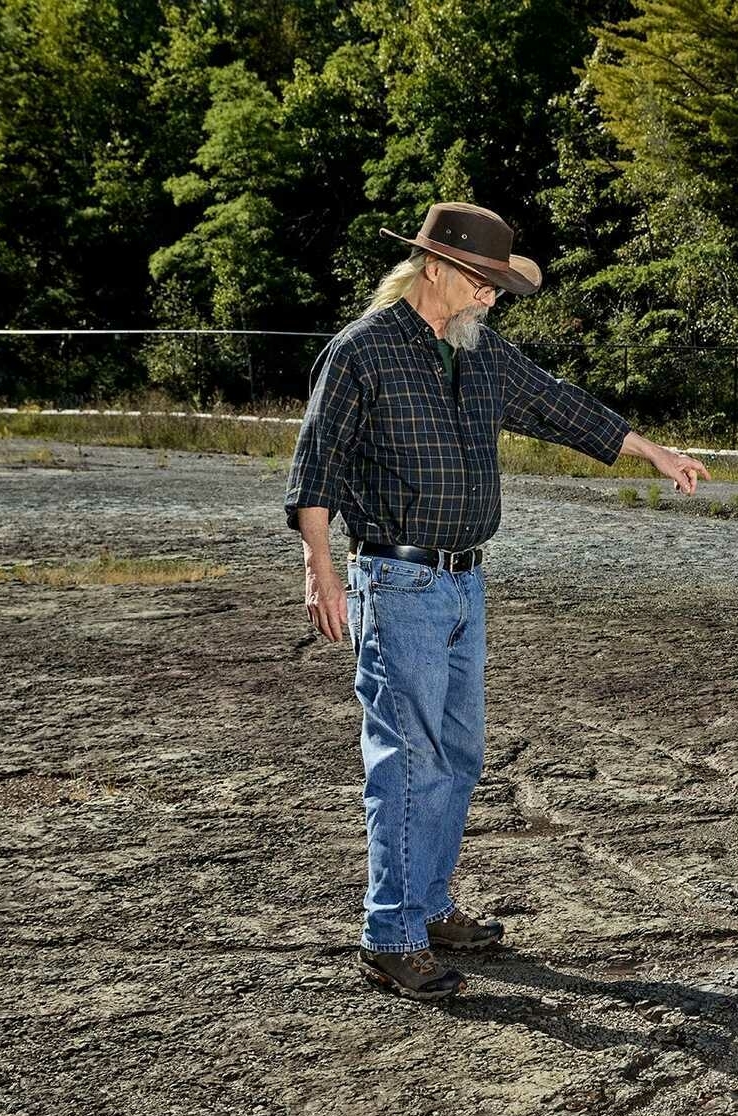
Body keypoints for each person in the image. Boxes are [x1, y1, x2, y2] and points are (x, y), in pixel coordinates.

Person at [285, 201, 709, 1002]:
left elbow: (560, 404)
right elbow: (318, 465)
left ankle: (431, 905)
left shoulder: (480, 355)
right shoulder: (362, 353)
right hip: (396, 579)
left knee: (458, 753)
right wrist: (320, 568)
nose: (492, 298)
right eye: (485, 284)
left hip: (464, 584)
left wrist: (651, 451)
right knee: (407, 762)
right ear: (436, 269)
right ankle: (390, 933)